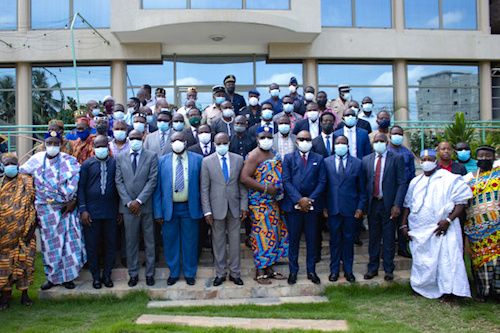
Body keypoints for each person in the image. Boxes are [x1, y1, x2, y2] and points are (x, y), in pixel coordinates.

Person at [401, 149, 472, 303]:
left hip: (444, 228)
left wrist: (448, 220)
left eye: (430, 159)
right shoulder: (415, 181)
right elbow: (407, 204)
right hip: (420, 230)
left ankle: (449, 292)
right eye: (424, 159)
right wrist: (403, 224)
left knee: (447, 260)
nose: (426, 162)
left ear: (436, 161)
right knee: (423, 261)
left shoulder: (449, 178)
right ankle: (423, 287)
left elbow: (461, 202)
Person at [20, 131, 85, 290]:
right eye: (50, 143)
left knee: (69, 244)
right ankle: (52, 278)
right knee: (51, 245)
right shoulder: (36, 160)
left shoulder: (69, 161)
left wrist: (73, 199)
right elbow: (21, 171)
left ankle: (68, 277)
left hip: (66, 208)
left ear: (61, 144)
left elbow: (75, 179)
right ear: (44, 144)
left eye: (56, 143)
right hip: (46, 210)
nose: (53, 146)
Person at [240, 126, 289, 284]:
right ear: (257, 139)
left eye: (269, 137)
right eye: (263, 137)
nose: (266, 140)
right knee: (261, 236)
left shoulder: (273, 152)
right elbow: (245, 178)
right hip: (260, 203)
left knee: (273, 234)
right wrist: (267, 188)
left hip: (273, 202)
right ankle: (259, 270)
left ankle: (269, 267)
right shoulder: (254, 155)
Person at [154, 132, 203, 286]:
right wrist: (158, 211)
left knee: (190, 242)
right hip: (169, 208)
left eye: (180, 140)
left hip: (190, 207)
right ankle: (174, 272)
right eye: (174, 140)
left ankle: (189, 273)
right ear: (170, 143)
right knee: (170, 242)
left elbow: (203, 186)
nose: (177, 142)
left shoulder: (198, 160)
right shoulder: (161, 161)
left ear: (186, 142)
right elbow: (157, 189)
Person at [201, 133, 248, 287]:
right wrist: (207, 211)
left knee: (235, 242)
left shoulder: (238, 159)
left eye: (224, 143)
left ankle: (235, 273)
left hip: (234, 207)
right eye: (218, 143)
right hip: (216, 208)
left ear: (228, 143)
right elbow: (204, 188)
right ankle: (220, 273)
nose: (221, 145)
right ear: (214, 144)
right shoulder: (207, 162)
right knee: (218, 242)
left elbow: (242, 185)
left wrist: (244, 206)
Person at [282, 130, 326, 285]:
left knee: (312, 240)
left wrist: (309, 201)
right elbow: (286, 181)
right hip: (293, 206)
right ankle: (293, 271)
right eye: (301, 139)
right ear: (296, 142)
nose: (305, 142)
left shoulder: (319, 159)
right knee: (293, 240)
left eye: (308, 139)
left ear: (312, 142)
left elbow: (322, 182)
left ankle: (311, 270)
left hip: (312, 207)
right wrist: (300, 200)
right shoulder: (288, 158)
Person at [115, 130, 158, 287]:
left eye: (137, 138)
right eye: (131, 138)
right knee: (131, 242)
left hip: (145, 206)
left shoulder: (151, 156)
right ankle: (133, 273)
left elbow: (152, 180)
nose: (134, 140)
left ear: (143, 140)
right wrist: (129, 202)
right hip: (128, 208)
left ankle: (150, 274)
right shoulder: (120, 158)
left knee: (149, 241)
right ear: (128, 139)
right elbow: (118, 181)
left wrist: (139, 201)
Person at [362, 133, 407, 281]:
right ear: (373, 144)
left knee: (388, 238)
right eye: (377, 141)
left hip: (389, 205)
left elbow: (402, 182)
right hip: (373, 203)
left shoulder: (396, 159)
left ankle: (388, 269)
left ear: (387, 142)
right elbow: (364, 184)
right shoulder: (366, 160)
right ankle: (372, 268)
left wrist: (397, 204)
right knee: (374, 238)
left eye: (382, 141)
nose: (379, 143)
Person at [78, 135, 118, 289]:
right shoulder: (87, 164)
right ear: (93, 147)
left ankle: (107, 275)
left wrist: (120, 211)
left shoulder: (115, 163)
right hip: (91, 212)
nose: (101, 149)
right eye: (97, 146)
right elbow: (81, 188)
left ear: (108, 147)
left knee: (110, 244)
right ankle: (95, 277)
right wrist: (83, 210)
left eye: (103, 146)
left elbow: (119, 186)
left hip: (110, 211)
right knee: (92, 245)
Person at [324, 135, 366, 283]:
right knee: (334, 241)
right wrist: (324, 207)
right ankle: (334, 270)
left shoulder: (357, 163)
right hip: (333, 209)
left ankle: (348, 270)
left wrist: (360, 207)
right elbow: (324, 186)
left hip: (350, 209)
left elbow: (362, 189)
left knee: (348, 240)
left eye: (343, 143)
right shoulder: (326, 162)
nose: (340, 145)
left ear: (348, 146)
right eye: (338, 143)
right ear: (334, 145)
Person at [0, 154, 37, 310]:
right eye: (6, 163)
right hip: (4, 236)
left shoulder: (27, 182)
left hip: (25, 233)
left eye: (13, 163)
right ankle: (4, 297)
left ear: (18, 164)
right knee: (4, 265)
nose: (10, 166)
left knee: (25, 264)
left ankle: (25, 295)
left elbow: (33, 206)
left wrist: (31, 230)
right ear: (2, 166)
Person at [464, 145, 500, 303]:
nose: (484, 159)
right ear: (476, 158)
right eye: (481, 156)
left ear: (493, 158)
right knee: (479, 260)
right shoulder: (469, 177)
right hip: (476, 229)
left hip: (497, 228)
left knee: (498, 261)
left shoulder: (498, 175)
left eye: (488, 156)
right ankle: (482, 292)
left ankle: (498, 292)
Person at [388, 125, 416, 258]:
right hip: (388, 190)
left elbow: (411, 173)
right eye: (395, 133)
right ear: (389, 135)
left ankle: (403, 247)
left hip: (404, 190)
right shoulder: (385, 151)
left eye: (400, 134)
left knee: (402, 220)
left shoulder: (407, 153)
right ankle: (389, 248)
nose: (397, 136)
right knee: (389, 222)